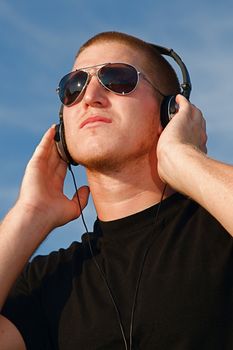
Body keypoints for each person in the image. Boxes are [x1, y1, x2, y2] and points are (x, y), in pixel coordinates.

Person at [0, 31, 233, 350]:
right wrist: (27, 217)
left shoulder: (220, 228)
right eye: (74, 86)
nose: (90, 94)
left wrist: (183, 157)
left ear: (171, 112)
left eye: (118, 78)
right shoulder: (53, 282)